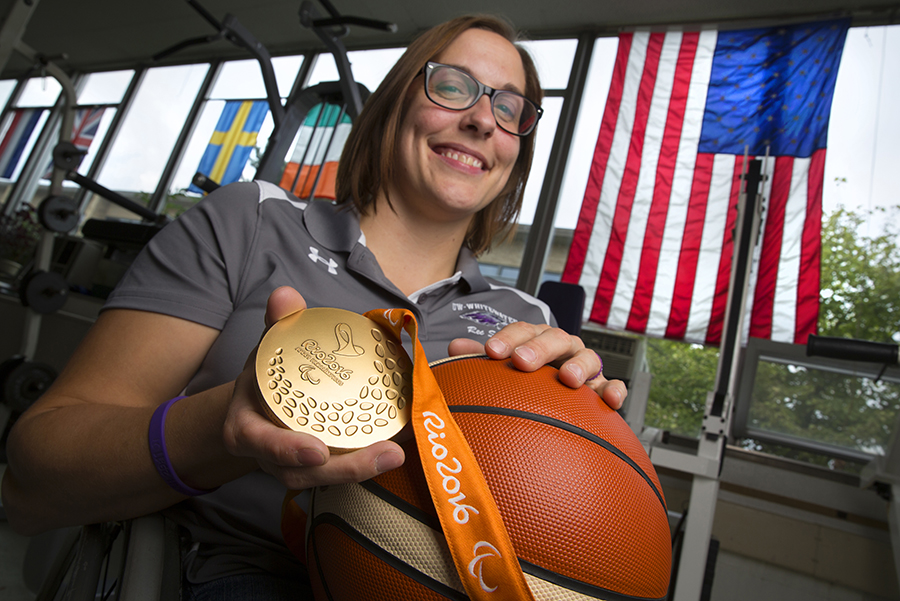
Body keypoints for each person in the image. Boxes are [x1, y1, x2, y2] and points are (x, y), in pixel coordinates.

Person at [1, 14, 626, 599]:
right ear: (393, 105)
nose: (484, 120)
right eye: (454, 86)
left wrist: (581, 444)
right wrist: (223, 430)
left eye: (509, 106)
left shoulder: (527, 322)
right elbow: (33, 483)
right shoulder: (251, 221)